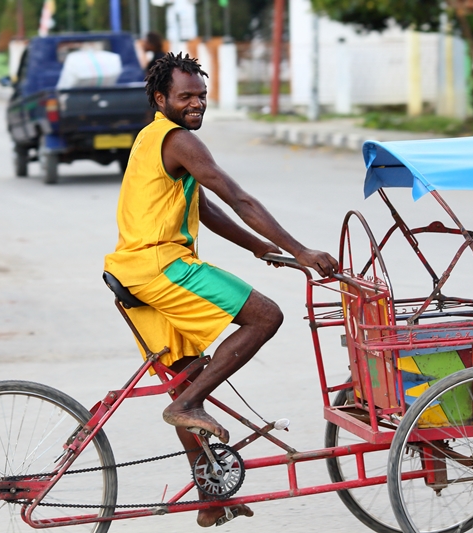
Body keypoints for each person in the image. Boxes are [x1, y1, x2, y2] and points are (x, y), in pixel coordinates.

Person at [103, 52, 338, 527]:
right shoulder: (178, 140)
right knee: (266, 315)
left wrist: (262, 249)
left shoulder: (153, 137)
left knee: (188, 377)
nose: (197, 104)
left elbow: (206, 208)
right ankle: (186, 405)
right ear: (160, 99)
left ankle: (210, 500)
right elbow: (239, 197)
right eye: (186, 96)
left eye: (202, 96)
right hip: (160, 265)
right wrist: (303, 250)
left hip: (133, 270)